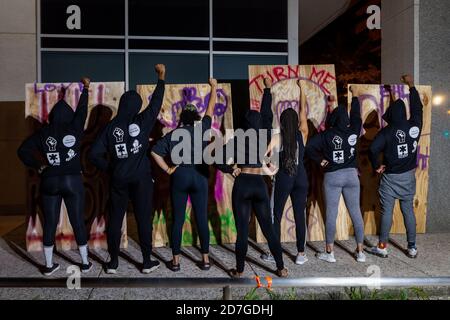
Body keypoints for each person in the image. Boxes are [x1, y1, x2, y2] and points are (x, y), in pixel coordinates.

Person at [89, 64, 166, 274]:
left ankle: (113, 263)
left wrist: (111, 167)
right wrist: (161, 78)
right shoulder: (142, 120)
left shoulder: (110, 128)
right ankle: (147, 262)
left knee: (115, 219)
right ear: (136, 106)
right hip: (141, 179)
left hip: (118, 179)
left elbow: (93, 154)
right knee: (143, 218)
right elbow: (156, 104)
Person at [18, 77, 92, 276]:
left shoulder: (43, 133)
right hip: (72, 180)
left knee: (50, 223)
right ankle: (85, 263)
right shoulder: (75, 127)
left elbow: (22, 150)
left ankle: (49, 266)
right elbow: (82, 111)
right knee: (77, 220)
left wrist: (39, 165)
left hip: (49, 181)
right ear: (68, 116)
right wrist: (85, 89)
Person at [216, 78, 288, 278]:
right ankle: (281, 268)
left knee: (242, 231)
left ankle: (239, 271)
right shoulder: (264, 134)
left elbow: (217, 159)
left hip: (242, 184)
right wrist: (266, 88)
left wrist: (231, 169)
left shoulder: (237, 139)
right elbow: (266, 113)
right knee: (269, 230)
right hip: (258, 184)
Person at [151, 78, 220, 272]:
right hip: (199, 176)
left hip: (180, 175)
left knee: (178, 219)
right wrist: (214, 87)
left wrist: (167, 169)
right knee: (201, 217)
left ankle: (175, 262)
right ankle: (205, 260)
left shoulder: (174, 134)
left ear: (182, 119)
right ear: (196, 118)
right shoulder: (203, 129)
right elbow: (211, 109)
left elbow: (155, 152)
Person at [306, 87, 366, 263]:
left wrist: (321, 160)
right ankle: (360, 252)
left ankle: (329, 252)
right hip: (352, 176)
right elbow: (356, 115)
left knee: (331, 213)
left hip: (333, 176)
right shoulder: (354, 130)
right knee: (355, 213)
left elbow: (309, 147)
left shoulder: (326, 135)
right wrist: (354, 97)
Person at [368, 75, 423, 259]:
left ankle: (382, 246)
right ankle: (412, 247)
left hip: (390, 178)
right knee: (408, 210)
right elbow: (417, 109)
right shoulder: (414, 126)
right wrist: (411, 87)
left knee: (387, 212)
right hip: (408, 176)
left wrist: (377, 166)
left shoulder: (386, 132)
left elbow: (373, 148)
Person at [260, 79, 309, 265]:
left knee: (276, 215)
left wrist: (271, 172)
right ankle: (301, 254)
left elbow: (264, 158)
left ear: (281, 121)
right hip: (301, 177)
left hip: (284, 178)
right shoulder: (302, 132)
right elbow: (303, 112)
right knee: (299, 215)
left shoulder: (277, 137)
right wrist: (302, 89)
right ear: (296, 121)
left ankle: (274, 253)